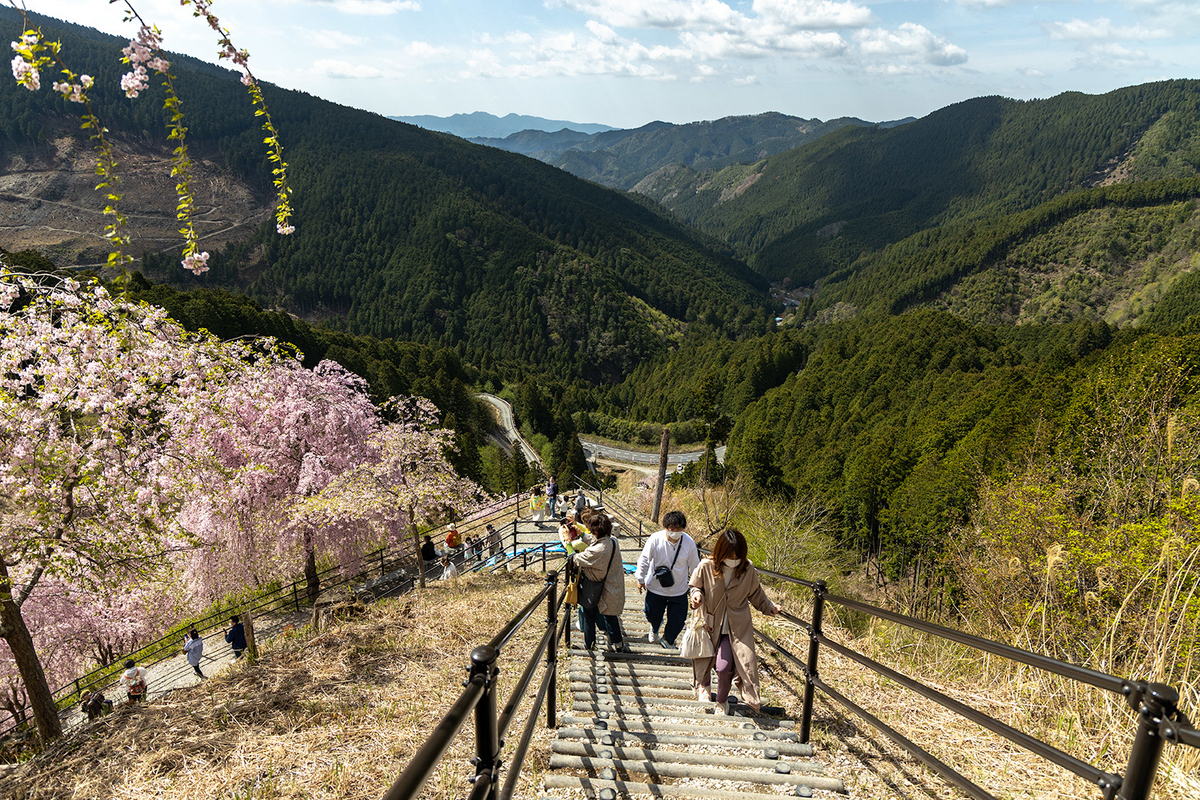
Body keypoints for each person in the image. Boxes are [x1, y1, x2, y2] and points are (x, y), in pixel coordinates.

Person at [688, 528, 779, 714]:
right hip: (709, 624)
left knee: (724, 666)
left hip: (736, 629)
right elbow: (695, 586)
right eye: (730, 556)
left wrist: (769, 606)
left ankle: (721, 702)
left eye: (738, 556)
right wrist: (696, 596)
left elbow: (756, 593)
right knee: (704, 658)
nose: (734, 560)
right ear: (721, 552)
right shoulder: (706, 566)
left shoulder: (748, 569)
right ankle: (704, 686)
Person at [635, 510, 700, 647]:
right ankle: (654, 627)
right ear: (665, 528)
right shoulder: (655, 539)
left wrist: (697, 589)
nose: (675, 532)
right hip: (656, 587)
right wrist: (640, 578)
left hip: (679, 589)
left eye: (679, 529)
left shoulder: (689, 543)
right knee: (651, 614)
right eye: (672, 529)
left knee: (678, 620)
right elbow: (644, 559)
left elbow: (695, 566)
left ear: (683, 529)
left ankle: (668, 640)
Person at [572, 512, 630, 653]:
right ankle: (618, 644)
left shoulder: (596, 551)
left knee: (589, 614)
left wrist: (568, 543)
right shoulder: (612, 541)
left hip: (596, 585)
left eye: (591, 529)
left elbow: (576, 559)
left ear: (596, 530)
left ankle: (590, 644)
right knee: (610, 616)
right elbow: (595, 540)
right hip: (612, 585)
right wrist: (581, 534)